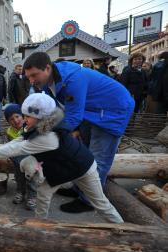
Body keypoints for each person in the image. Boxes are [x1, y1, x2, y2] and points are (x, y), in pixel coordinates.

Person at [0, 92, 123, 223]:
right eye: (24, 115)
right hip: (62, 169)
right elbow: (21, 140)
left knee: (101, 204)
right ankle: (40, 225)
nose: (24, 119)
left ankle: (123, 229)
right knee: (43, 194)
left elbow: (17, 148)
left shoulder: (46, 137)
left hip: (83, 168)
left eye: (28, 116)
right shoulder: (41, 125)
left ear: (40, 116)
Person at [23, 52, 134, 213]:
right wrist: (38, 128)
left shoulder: (73, 80)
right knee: (81, 152)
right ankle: (78, 187)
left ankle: (88, 200)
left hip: (113, 111)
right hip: (90, 111)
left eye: (34, 75)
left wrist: (45, 133)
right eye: (28, 77)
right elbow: (53, 110)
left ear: (47, 68)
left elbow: (73, 116)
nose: (31, 81)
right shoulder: (47, 83)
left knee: (99, 159)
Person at [4, 104, 36, 210]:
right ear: (8, 122)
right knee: (19, 178)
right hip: (17, 161)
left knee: (31, 179)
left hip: (30, 161)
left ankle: (32, 197)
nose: (15, 120)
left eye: (17, 116)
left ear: (22, 116)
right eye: (11, 119)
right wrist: (9, 156)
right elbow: (9, 146)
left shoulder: (29, 128)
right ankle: (20, 192)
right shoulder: (9, 132)